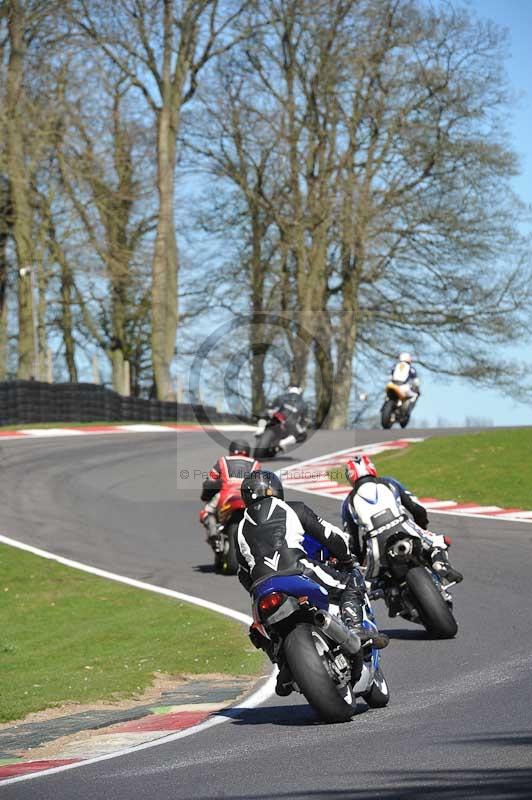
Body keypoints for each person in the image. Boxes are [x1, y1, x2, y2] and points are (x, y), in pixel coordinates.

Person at [236, 469, 389, 695]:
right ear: (275, 489)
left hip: (262, 586)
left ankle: (282, 663)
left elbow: (243, 573)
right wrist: (347, 559)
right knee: (349, 584)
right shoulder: (293, 508)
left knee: (258, 630)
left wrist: (256, 589)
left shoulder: (240, 529)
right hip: (297, 568)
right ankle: (355, 626)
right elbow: (329, 535)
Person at [341, 455, 463, 584]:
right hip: (404, 526)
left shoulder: (348, 503)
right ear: (372, 468)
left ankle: (383, 589)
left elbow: (352, 542)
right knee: (439, 542)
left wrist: (360, 561)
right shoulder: (389, 483)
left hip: (375, 544)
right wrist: (422, 528)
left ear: (350, 477)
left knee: (368, 583)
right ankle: (441, 563)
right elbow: (417, 509)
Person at [199, 440, 260, 545]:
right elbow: (259, 482)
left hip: (227, 493)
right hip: (248, 495)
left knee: (206, 512)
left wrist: (205, 495)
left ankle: (213, 532)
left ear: (231, 451)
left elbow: (210, 480)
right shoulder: (255, 463)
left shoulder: (223, 461)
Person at [255, 385, 308, 452]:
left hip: (277, 418)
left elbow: (270, 408)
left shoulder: (281, 397)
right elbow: (303, 421)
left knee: (265, 412)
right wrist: (301, 428)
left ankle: (260, 428)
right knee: (303, 435)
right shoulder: (303, 403)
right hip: (291, 423)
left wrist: (269, 413)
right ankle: (283, 443)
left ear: (289, 388)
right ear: (300, 390)